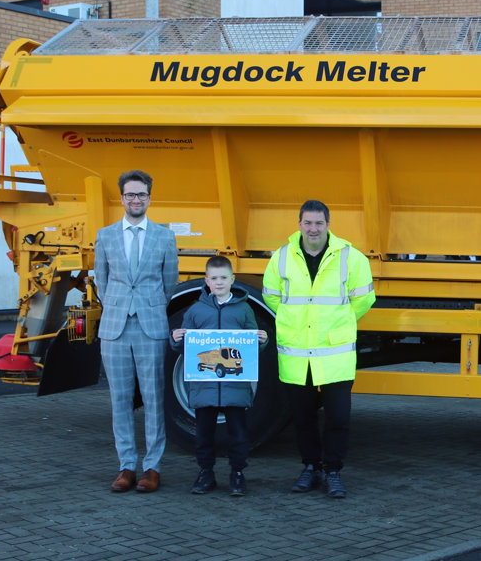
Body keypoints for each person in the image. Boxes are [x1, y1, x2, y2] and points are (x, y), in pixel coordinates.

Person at [262, 200, 375, 498]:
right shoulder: (281, 257)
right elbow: (272, 298)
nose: (313, 229)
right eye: (308, 223)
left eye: (319, 223)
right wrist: (295, 324)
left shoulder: (351, 257)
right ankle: (310, 467)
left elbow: (362, 301)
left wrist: (336, 324)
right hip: (297, 355)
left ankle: (333, 470)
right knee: (303, 418)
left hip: (334, 354)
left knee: (338, 418)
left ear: (328, 225)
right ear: (299, 224)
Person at [94, 170, 179, 493]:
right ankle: (126, 465)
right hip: (115, 328)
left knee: (155, 400)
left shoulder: (164, 236)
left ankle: (152, 467)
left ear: (149, 197)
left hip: (150, 325)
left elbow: (168, 282)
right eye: (130, 194)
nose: (135, 200)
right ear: (121, 198)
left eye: (141, 194)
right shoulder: (105, 236)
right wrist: (118, 304)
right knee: (120, 400)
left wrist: (148, 305)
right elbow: (101, 281)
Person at [171, 256, 269, 496]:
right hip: (204, 387)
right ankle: (206, 473)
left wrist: (262, 342)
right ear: (206, 281)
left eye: (224, 278)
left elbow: (250, 346)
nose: (219, 282)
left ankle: (237, 473)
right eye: (214, 278)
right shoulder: (195, 311)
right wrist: (175, 340)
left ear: (232, 279)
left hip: (235, 387)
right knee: (203, 434)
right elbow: (185, 347)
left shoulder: (244, 309)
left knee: (238, 433)